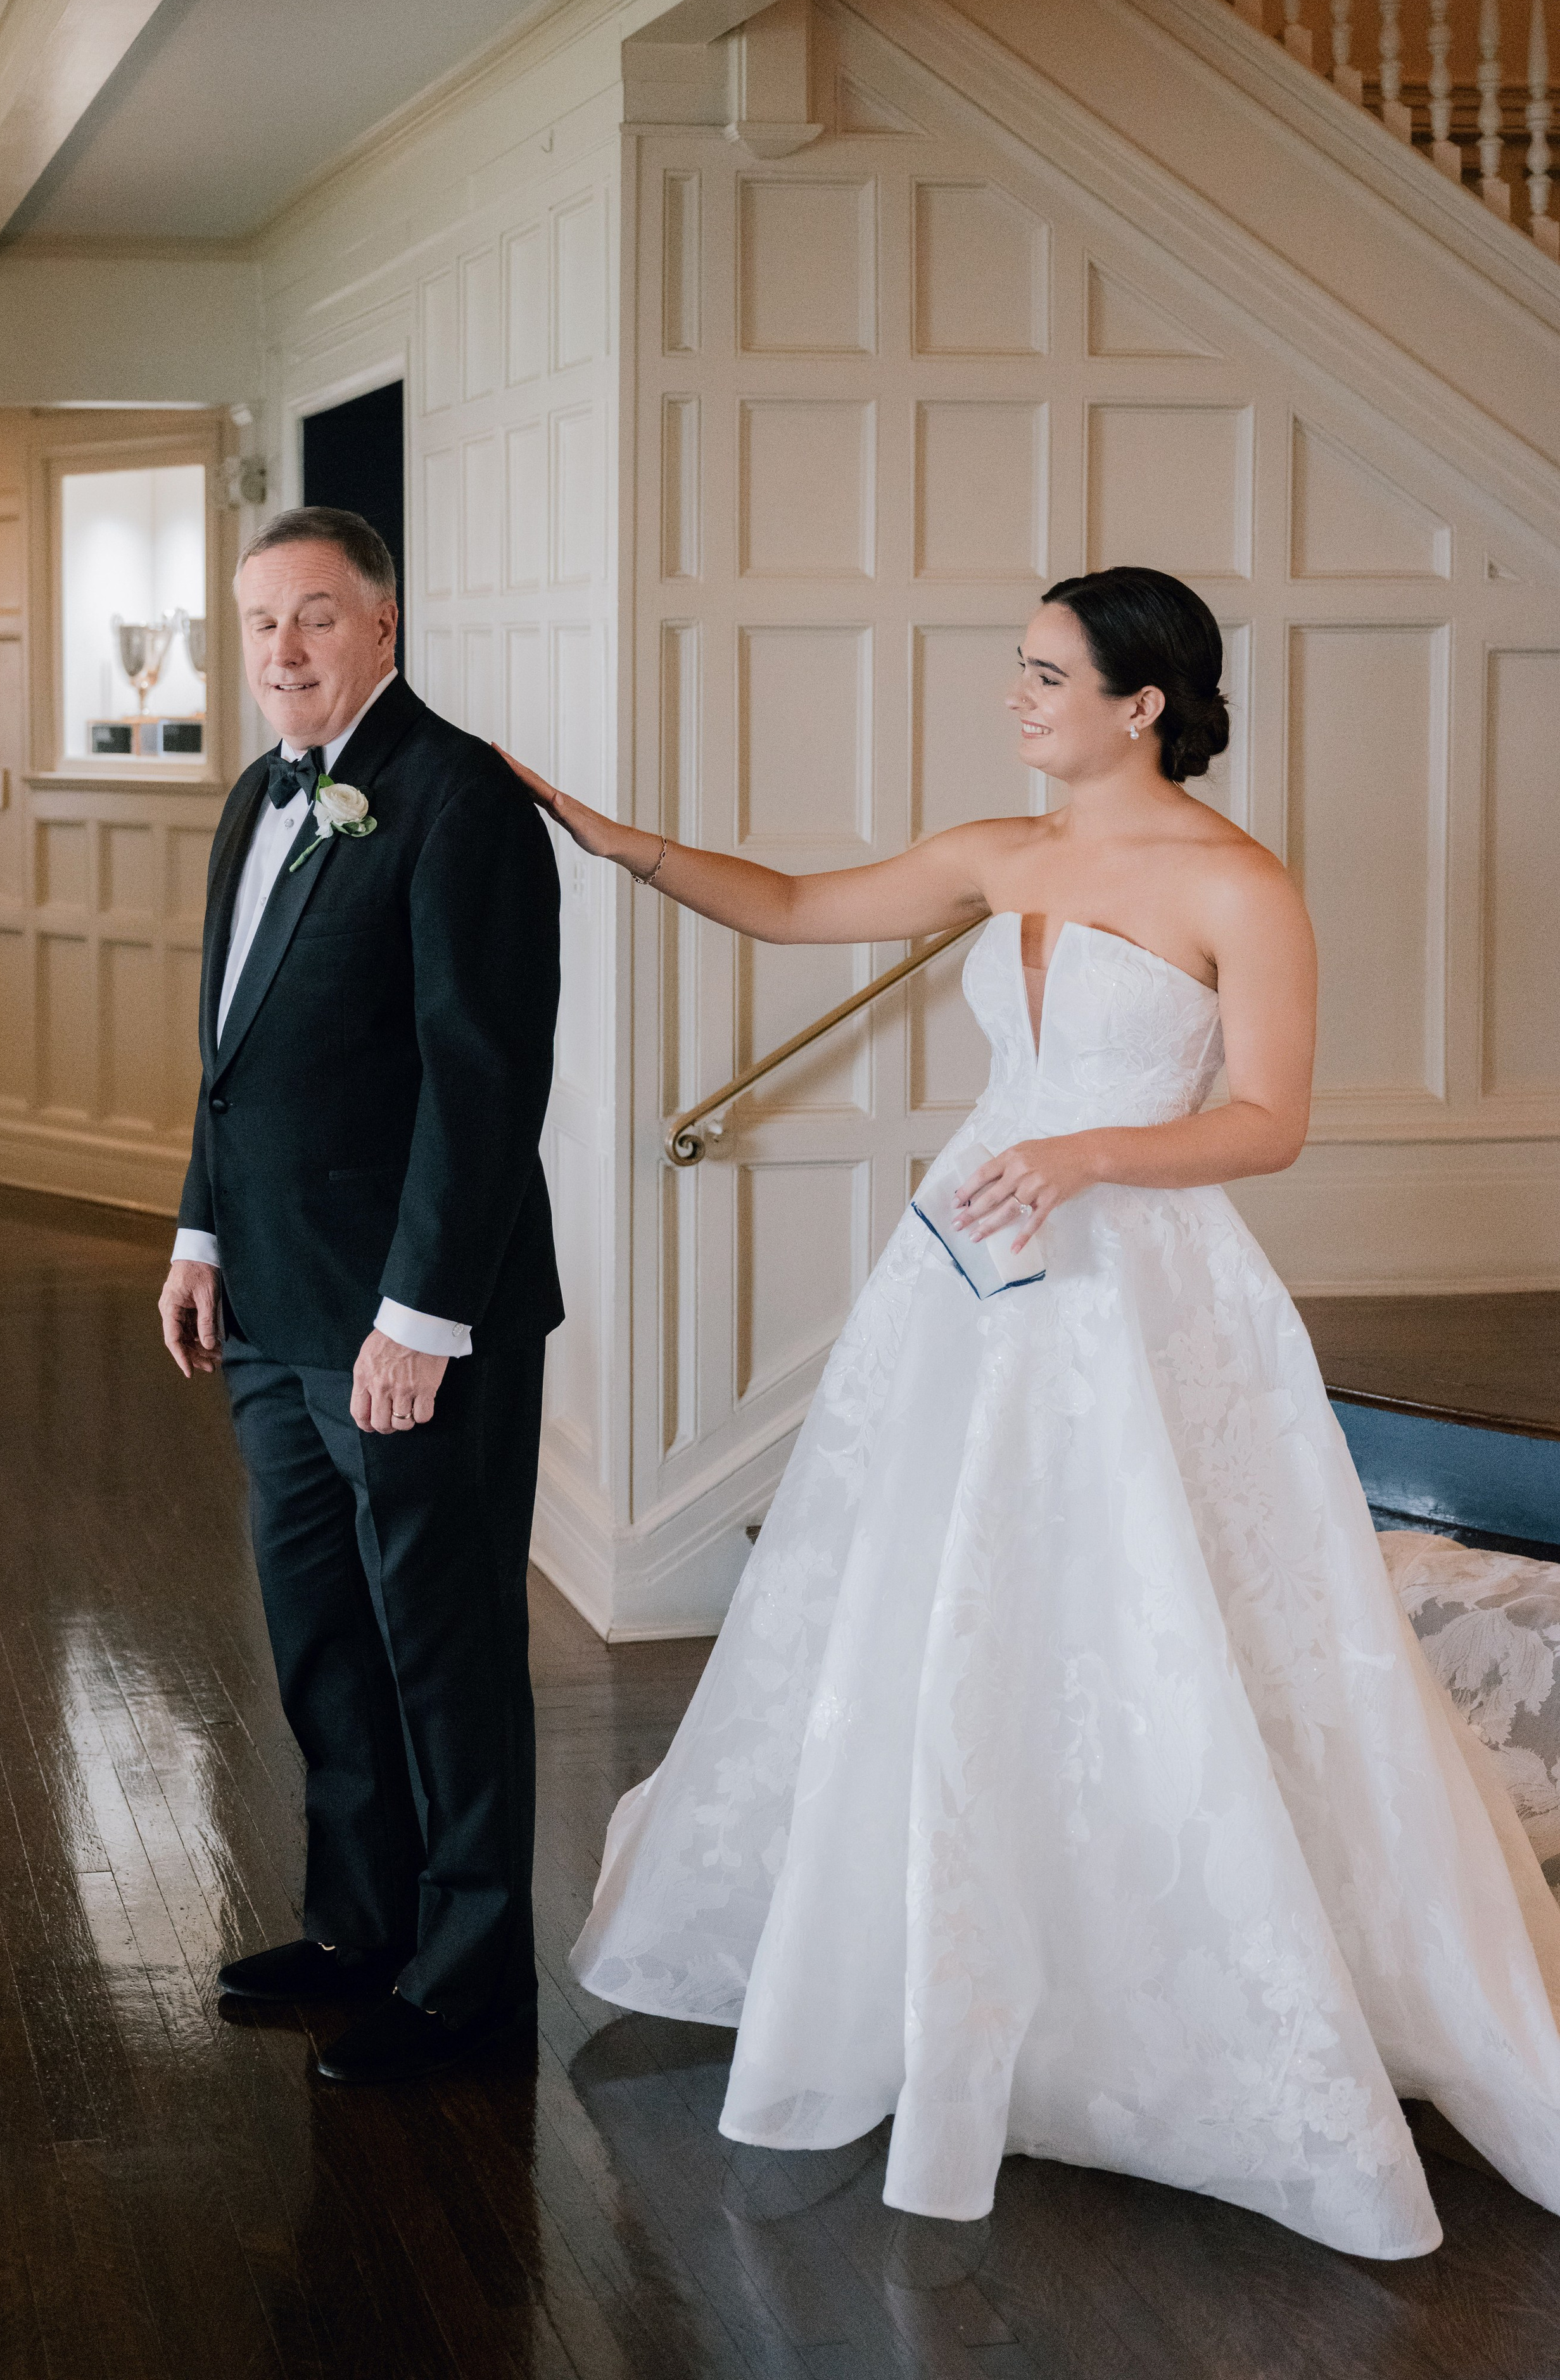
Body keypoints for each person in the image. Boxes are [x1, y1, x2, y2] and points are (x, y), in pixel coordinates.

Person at [505, 566, 1560, 2256]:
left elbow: (1271, 1118)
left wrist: (1086, 1150)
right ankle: (930, 1944)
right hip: (965, 1270)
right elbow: (789, 903)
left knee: (1148, 1608)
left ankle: (1177, 1983)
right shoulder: (1004, 852)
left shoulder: (1239, 885)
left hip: (1138, 1284)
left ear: (1144, 704)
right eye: (1021, 669)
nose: (1017, 696)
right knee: (939, 1595)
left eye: (1048, 675)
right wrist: (611, 838)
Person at [158, 506, 561, 2085]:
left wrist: (419, 1317)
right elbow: (232, 1056)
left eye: (315, 615)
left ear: (384, 624)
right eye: (261, 619)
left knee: (442, 1648)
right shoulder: (254, 794)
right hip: (267, 1312)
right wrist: (200, 1235)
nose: (282, 648)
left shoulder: (461, 799)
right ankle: (359, 1929)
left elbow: (482, 1082)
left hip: (408, 1327)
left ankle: (471, 1975)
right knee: (323, 1636)